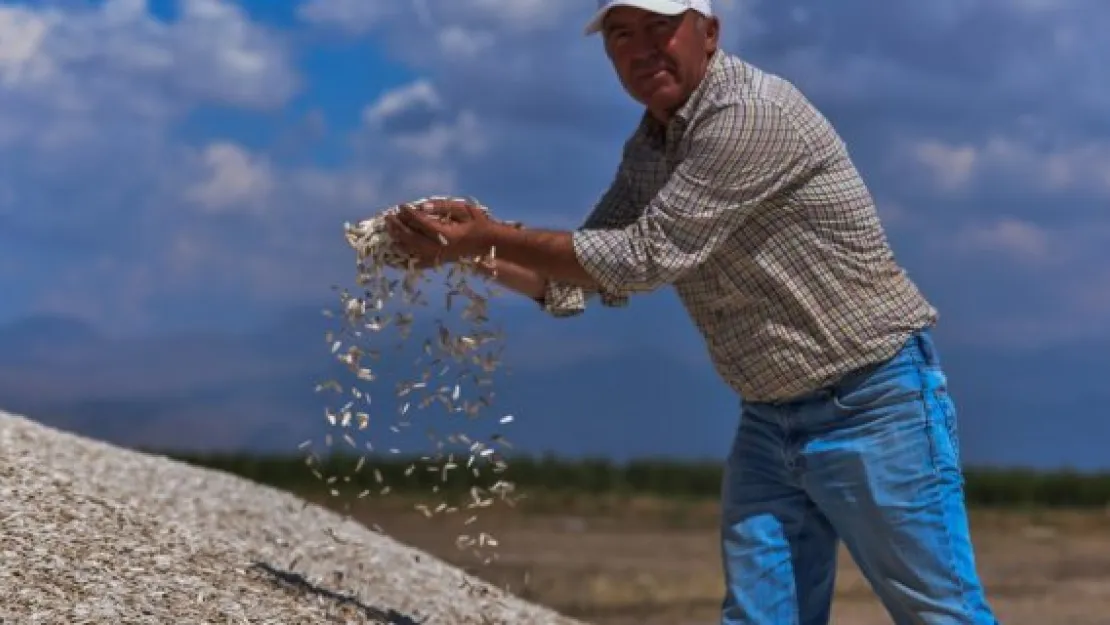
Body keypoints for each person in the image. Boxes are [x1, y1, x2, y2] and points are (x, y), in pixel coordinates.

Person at [385, 0, 1000, 623]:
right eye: (623, 35)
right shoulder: (651, 146)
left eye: (660, 28)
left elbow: (641, 258)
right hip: (769, 417)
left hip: (871, 402)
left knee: (938, 613)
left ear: (709, 34)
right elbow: (581, 276)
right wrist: (460, 251)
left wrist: (484, 235)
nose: (642, 48)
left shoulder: (747, 113)